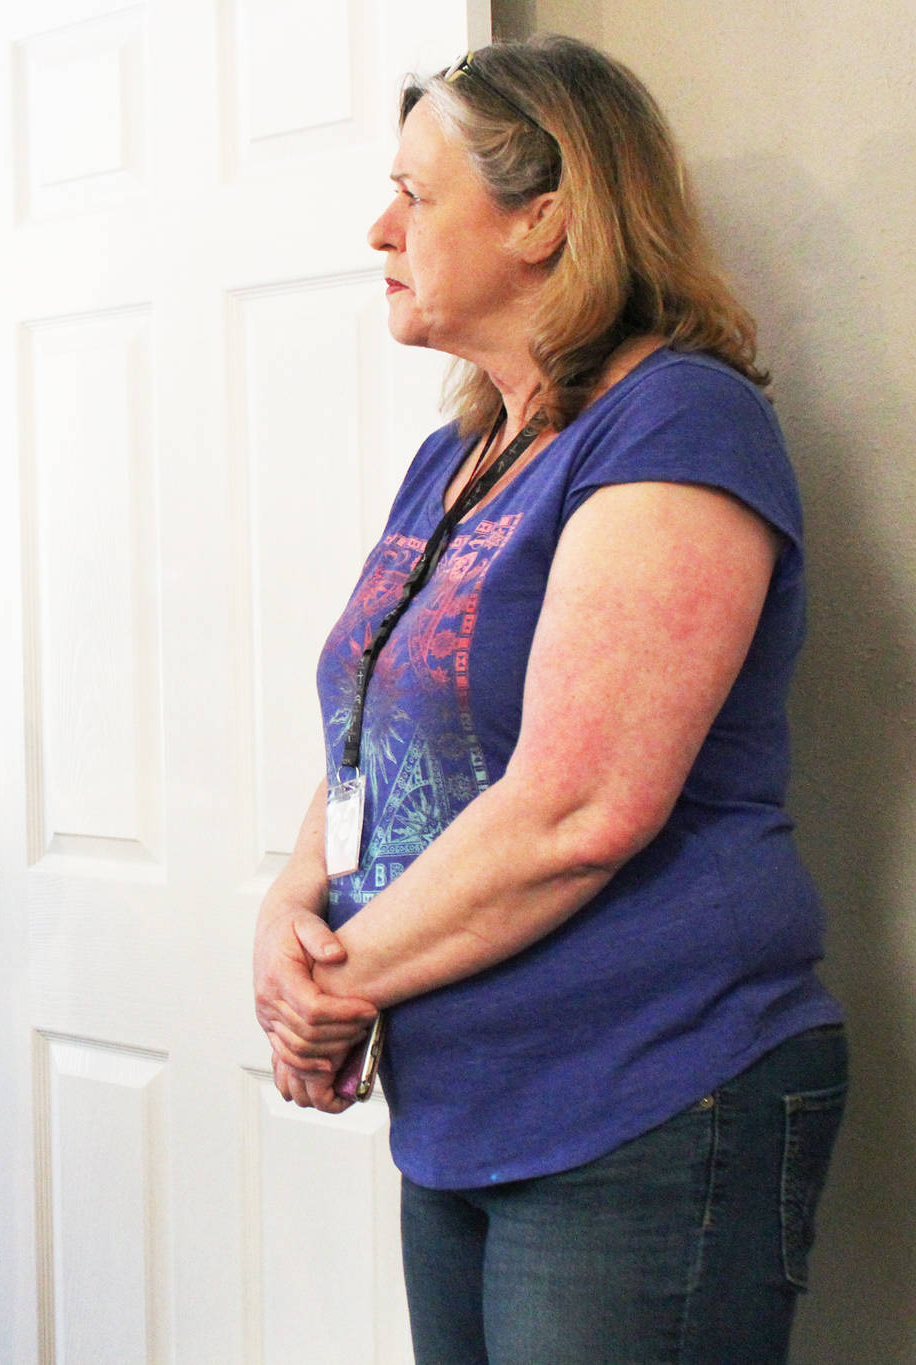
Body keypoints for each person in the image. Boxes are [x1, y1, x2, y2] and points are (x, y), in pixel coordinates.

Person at [249, 36, 845, 1365]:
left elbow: (582, 804)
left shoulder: (680, 421)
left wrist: (332, 988)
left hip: (649, 1083)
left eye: (416, 192)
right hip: (462, 1095)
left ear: (546, 216)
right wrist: (292, 911)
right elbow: (375, 725)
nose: (377, 228)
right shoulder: (457, 455)